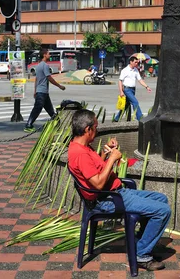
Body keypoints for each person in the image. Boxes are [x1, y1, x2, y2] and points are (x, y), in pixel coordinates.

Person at [68, 109, 170, 271]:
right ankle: (141, 254)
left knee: (161, 199)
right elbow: (99, 184)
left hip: (116, 193)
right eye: (96, 126)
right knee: (163, 211)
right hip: (107, 199)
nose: (97, 129)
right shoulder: (80, 154)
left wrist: (105, 152)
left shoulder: (82, 146)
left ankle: (140, 242)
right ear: (88, 129)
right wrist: (113, 159)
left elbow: (93, 168)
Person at [25, 48, 66, 133]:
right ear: (44, 55)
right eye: (48, 54)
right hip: (42, 92)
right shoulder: (45, 65)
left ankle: (58, 125)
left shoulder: (39, 65)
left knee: (51, 111)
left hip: (42, 92)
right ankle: (28, 125)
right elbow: (49, 78)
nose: (49, 55)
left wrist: (35, 91)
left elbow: (36, 79)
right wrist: (59, 86)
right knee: (37, 108)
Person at [115, 56, 152, 121]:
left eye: (137, 62)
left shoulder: (135, 70)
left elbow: (140, 80)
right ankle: (140, 118)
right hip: (127, 89)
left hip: (132, 89)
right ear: (131, 62)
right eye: (135, 62)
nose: (136, 64)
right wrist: (121, 91)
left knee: (126, 105)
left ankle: (117, 118)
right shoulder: (125, 70)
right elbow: (120, 81)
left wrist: (147, 87)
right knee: (135, 102)